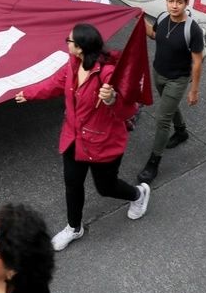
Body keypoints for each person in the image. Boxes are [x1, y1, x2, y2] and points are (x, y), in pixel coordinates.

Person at [16, 23, 150, 251]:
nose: (66, 44)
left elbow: (129, 111)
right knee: (73, 185)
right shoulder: (72, 66)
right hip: (74, 140)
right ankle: (74, 227)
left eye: (69, 41)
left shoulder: (107, 74)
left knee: (106, 188)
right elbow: (54, 85)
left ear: (80, 47)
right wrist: (28, 94)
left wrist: (111, 99)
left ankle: (139, 194)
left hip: (103, 144)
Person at [138, 0, 203, 184]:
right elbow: (154, 35)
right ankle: (182, 131)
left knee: (162, 119)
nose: (174, 6)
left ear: (186, 4)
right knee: (169, 107)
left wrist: (194, 90)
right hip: (158, 73)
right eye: (171, 1)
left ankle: (153, 162)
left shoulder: (192, 29)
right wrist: (140, 18)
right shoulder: (162, 18)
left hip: (177, 79)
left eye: (179, 2)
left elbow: (198, 62)